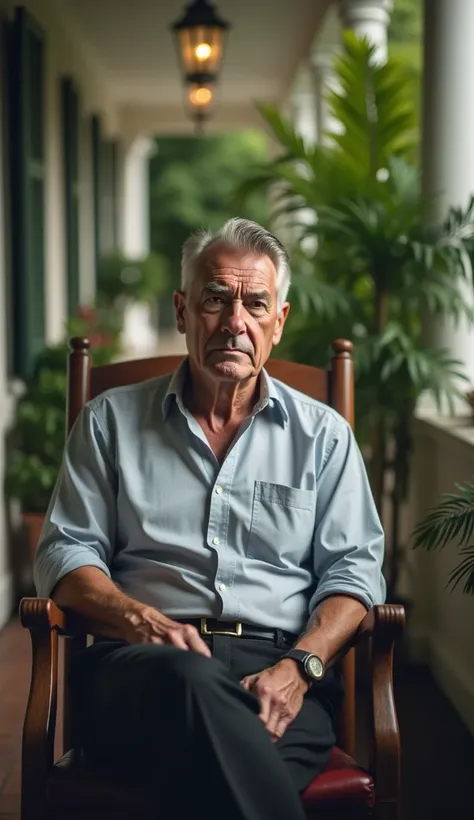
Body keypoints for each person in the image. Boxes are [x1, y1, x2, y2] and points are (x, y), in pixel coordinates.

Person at [34, 218, 385, 820]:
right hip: (142, 664)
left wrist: (300, 668)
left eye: (255, 304)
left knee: (215, 773)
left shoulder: (323, 436)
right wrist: (140, 619)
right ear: (181, 310)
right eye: (216, 300)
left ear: (279, 320)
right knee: (196, 694)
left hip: (280, 674)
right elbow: (65, 556)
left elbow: (355, 573)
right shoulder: (108, 423)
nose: (235, 322)